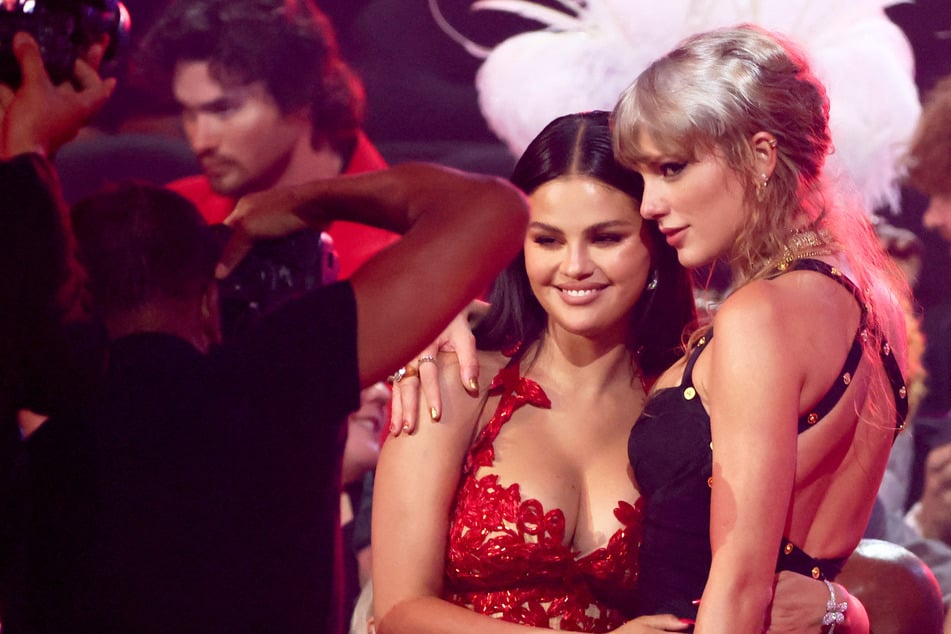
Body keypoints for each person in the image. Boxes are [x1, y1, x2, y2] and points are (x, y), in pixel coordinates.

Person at [611, 24, 909, 630]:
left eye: (671, 168)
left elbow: (743, 585)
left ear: (761, 155)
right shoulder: (874, 302)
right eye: (641, 176)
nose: (648, 204)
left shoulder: (762, 315)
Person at [371, 111, 697, 633]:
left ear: (655, 244)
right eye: (547, 240)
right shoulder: (458, 382)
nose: (574, 266)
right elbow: (397, 611)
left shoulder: (685, 401)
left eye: (606, 238)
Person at [138, 0, 397, 279]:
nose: (200, 141)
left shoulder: (400, 249)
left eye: (224, 110)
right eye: (188, 112)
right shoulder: (172, 218)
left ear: (300, 95)